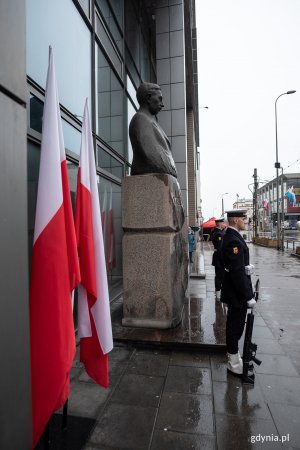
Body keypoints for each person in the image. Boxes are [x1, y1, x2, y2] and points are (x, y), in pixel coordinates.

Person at [221, 210, 256, 375]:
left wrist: (245, 267)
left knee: (236, 327)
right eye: (243, 218)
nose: (246, 220)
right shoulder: (232, 240)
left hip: (236, 291)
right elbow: (236, 272)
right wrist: (248, 296)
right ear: (235, 220)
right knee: (234, 328)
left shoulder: (234, 236)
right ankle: (233, 364)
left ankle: (235, 359)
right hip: (236, 293)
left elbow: (237, 266)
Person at [129, 82, 177, 178]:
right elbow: (154, 158)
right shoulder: (140, 120)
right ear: (148, 98)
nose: (162, 104)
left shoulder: (150, 122)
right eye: (159, 99)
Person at [211, 218, 226, 300]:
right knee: (219, 276)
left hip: (218, 257)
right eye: (223, 222)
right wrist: (224, 260)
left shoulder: (219, 232)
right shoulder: (218, 234)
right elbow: (220, 248)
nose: (224, 224)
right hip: (219, 258)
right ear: (219, 224)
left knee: (220, 276)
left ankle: (218, 293)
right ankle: (218, 294)